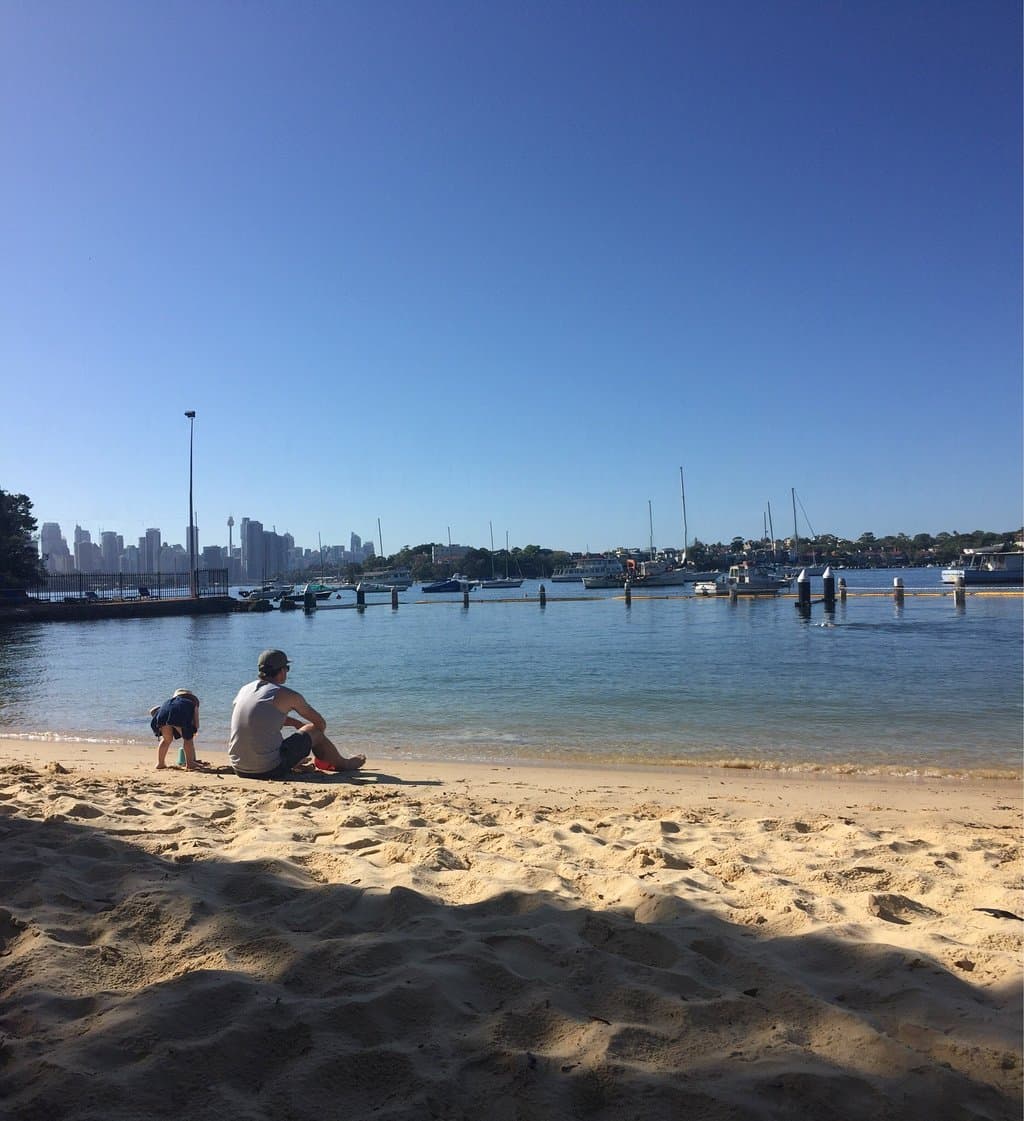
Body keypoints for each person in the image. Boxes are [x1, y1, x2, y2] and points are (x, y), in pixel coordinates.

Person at [228, 649, 366, 779]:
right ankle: (343, 764)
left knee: (296, 734)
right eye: (287, 668)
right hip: (268, 770)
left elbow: (260, 717)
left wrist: (295, 723)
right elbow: (320, 723)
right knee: (313, 730)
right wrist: (314, 741)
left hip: (239, 767)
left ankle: (305, 759)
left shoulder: (244, 690)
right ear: (282, 671)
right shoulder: (288, 695)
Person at [150, 689, 206, 771]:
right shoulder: (192, 703)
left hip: (161, 715)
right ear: (192, 698)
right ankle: (190, 763)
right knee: (188, 740)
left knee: (166, 740)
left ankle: (160, 763)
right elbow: (196, 723)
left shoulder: (170, 701)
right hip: (178, 715)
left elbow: (154, 711)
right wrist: (193, 731)